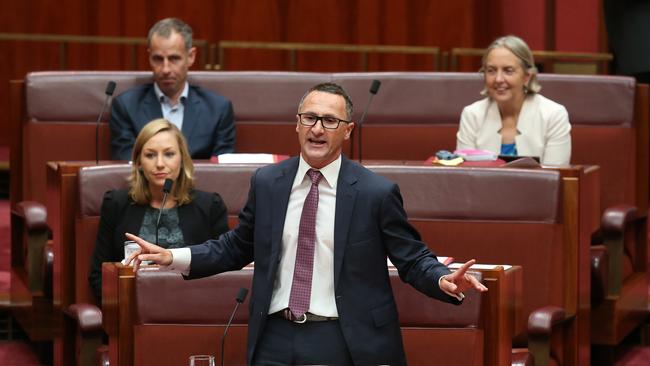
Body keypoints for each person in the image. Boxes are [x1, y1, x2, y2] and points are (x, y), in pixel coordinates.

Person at [126, 83, 487, 365]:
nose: (318, 129)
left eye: (330, 121)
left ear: (348, 131)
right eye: (309, 118)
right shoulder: (268, 183)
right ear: (296, 124)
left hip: (343, 337)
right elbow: (236, 247)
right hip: (274, 336)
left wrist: (441, 278)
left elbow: (411, 258)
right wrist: (172, 257)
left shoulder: (375, 192)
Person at [89, 119, 229, 302]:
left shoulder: (210, 206)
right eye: (150, 155)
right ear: (138, 162)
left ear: (183, 159)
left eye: (169, 154)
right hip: (130, 310)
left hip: (194, 307)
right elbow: (99, 275)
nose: (160, 163)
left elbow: (224, 269)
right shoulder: (116, 204)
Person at [109, 17, 235, 161]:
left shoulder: (218, 109)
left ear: (191, 57)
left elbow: (222, 170)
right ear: (149, 57)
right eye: (158, 59)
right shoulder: (126, 106)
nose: (166, 69)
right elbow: (126, 165)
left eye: (174, 58)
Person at [456, 35, 572, 166]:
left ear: (527, 76)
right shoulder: (472, 115)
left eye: (508, 71)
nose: (498, 79)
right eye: (491, 71)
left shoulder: (553, 115)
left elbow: (555, 177)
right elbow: (465, 175)